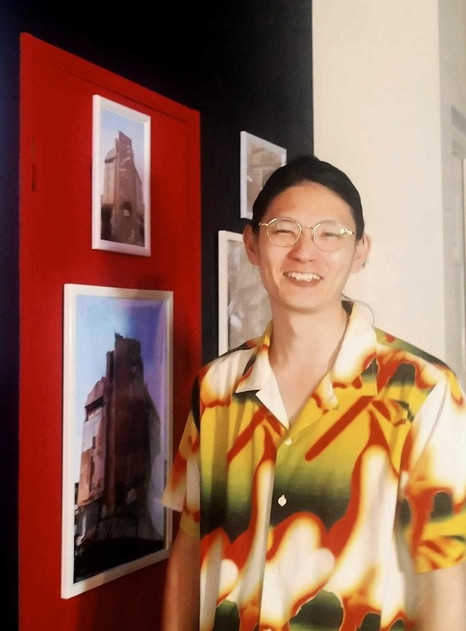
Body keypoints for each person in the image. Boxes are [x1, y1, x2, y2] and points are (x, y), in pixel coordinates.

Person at [162, 155, 466, 630]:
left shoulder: (421, 389)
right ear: (252, 244)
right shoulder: (215, 387)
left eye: (331, 234)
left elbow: (446, 578)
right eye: (284, 230)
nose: (306, 252)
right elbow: (189, 544)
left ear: (361, 250)